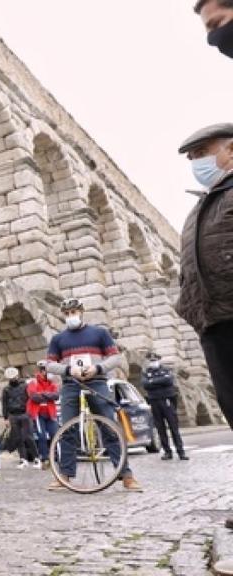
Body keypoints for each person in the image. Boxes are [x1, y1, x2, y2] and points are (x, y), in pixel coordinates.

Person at [176, 123, 233, 530]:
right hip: (212, 320)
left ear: (230, 151)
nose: (196, 163)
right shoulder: (202, 205)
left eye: (201, 153)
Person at [45, 297, 142, 492]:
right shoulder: (58, 339)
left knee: (109, 426)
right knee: (67, 429)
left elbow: (115, 357)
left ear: (81, 312)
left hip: (97, 382)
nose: (71, 316)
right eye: (67, 314)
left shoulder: (99, 333)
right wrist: (66, 370)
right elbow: (49, 364)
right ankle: (65, 475)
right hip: (71, 384)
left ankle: (126, 475)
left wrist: (98, 368)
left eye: (74, 312)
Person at [141, 352, 188, 461]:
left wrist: (152, 381)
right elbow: (145, 385)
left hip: (167, 400)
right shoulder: (145, 372)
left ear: (159, 360)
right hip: (154, 402)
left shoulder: (166, 370)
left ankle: (181, 452)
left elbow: (168, 380)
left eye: (154, 360)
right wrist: (158, 382)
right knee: (160, 428)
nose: (153, 362)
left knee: (173, 427)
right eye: (151, 361)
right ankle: (167, 452)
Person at [1, 367, 38, 469]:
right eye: (11, 377)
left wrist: (31, 412)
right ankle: (23, 459)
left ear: (17, 376)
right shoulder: (6, 389)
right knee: (18, 439)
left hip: (25, 414)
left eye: (14, 377)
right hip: (13, 415)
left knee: (29, 437)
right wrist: (6, 418)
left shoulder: (25, 386)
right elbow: (4, 404)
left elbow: (31, 399)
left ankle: (36, 458)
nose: (13, 379)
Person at [26, 360, 60, 470]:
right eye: (43, 370)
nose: (44, 373)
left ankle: (56, 457)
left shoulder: (53, 383)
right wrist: (47, 395)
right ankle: (45, 459)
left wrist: (42, 394)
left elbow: (56, 395)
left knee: (55, 434)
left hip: (50, 413)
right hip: (38, 414)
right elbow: (34, 397)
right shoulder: (33, 383)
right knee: (41, 437)